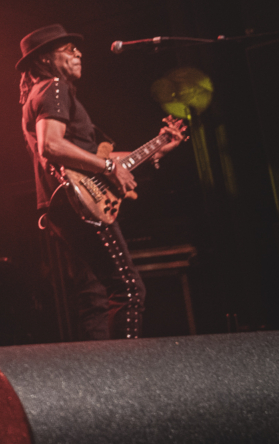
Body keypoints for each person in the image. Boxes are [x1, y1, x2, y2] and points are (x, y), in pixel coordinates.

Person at [17, 24, 180, 341]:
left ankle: (100, 382)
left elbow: (83, 156)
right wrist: (108, 166)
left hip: (64, 204)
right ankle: (127, 376)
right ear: (44, 60)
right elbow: (50, 145)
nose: (78, 53)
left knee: (94, 298)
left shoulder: (40, 94)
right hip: (81, 204)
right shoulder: (53, 87)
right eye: (67, 49)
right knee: (129, 290)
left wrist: (158, 146)